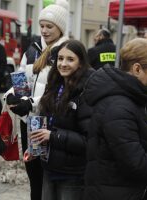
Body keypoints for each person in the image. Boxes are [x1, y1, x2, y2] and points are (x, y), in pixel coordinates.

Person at [80, 38, 147, 200]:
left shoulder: (127, 99)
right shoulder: (119, 107)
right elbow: (137, 164)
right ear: (137, 69)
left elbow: (138, 145)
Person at [4, 0, 69, 199]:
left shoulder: (65, 52)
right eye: (42, 26)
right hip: (29, 121)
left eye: (49, 26)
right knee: (33, 174)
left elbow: (60, 89)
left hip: (48, 123)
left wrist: (30, 103)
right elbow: (20, 79)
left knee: (46, 177)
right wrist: (12, 96)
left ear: (60, 28)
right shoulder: (31, 50)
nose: (44, 30)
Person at [29, 39, 95, 200]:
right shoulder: (54, 85)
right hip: (49, 167)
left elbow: (89, 141)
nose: (63, 64)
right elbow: (48, 122)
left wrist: (52, 136)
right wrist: (35, 145)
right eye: (60, 58)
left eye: (70, 59)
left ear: (81, 63)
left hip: (72, 174)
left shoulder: (86, 92)